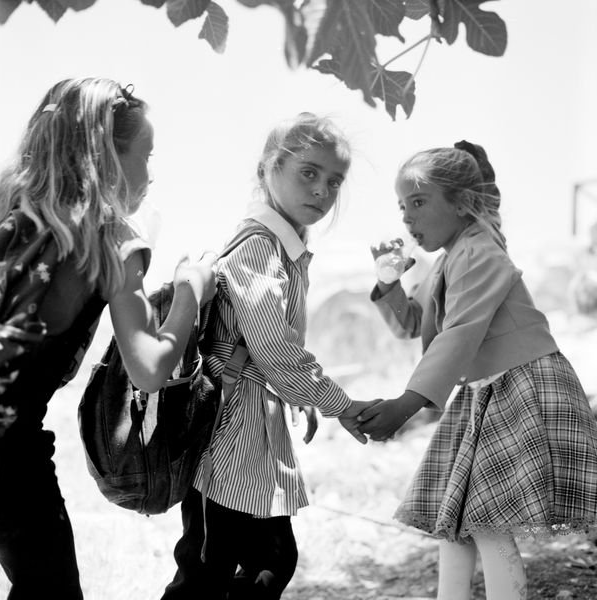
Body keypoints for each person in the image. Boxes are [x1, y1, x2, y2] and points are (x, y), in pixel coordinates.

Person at [0, 77, 217, 600]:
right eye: (145, 155)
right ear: (106, 158)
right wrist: (190, 291)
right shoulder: (111, 235)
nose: (150, 172)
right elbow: (149, 367)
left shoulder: (9, 211)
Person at [358, 141, 597, 600]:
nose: (407, 217)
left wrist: (407, 405)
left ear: (463, 204)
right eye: (402, 206)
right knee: (458, 524)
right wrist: (389, 281)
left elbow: (460, 333)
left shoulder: (480, 252)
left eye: (420, 202)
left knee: (486, 522)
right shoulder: (448, 260)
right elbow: (413, 322)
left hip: (522, 387)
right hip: (486, 393)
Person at [161, 112, 380, 600]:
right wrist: (336, 402)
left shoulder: (287, 250)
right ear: (268, 168)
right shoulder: (259, 246)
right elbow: (275, 350)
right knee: (208, 570)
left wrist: (294, 392)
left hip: (254, 433)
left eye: (334, 182)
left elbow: (274, 349)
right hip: (227, 436)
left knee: (271, 560)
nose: (322, 190)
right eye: (309, 172)